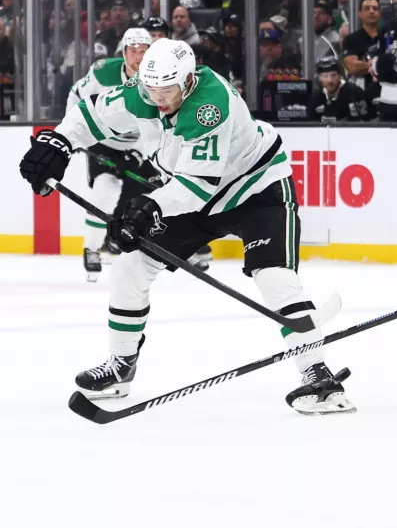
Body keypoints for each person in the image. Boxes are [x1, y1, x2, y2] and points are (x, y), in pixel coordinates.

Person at [18, 38, 355, 415]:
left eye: (168, 91)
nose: (159, 99)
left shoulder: (211, 105)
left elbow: (196, 187)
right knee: (129, 267)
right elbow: (92, 114)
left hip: (258, 188)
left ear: (189, 80)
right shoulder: (143, 90)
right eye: (152, 89)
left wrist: (147, 207)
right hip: (194, 190)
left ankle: (318, 374)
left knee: (274, 276)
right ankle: (120, 366)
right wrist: (58, 141)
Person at [66, 28, 156, 281]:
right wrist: (73, 133)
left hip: (140, 145)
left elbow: (162, 122)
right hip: (103, 141)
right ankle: (91, 249)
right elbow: (76, 96)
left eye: (144, 51)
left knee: (149, 196)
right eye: (133, 51)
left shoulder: (159, 77)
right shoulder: (103, 72)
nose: (138, 57)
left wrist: (139, 153)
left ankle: (126, 246)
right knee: (105, 191)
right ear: (123, 52)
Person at [307, 56, 374, 121]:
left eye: (333, 75)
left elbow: (361, 123)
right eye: (325, 76)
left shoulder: (353, 93)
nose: (330, 80)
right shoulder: (316, 97)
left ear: (340, 75)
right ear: (319, 78)